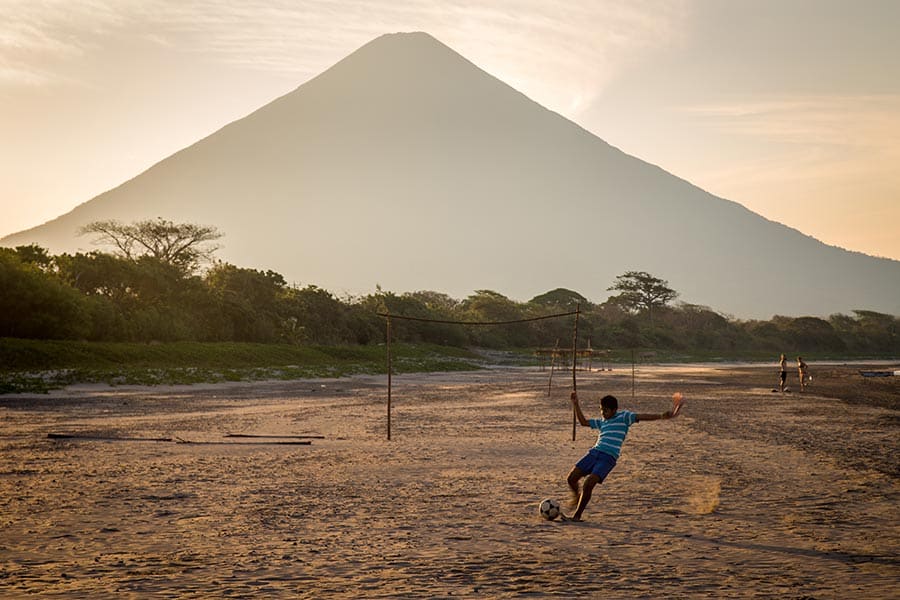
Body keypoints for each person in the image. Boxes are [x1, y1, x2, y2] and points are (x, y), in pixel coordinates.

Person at [562, 391, 679, 522]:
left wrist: (661, 416)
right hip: (594, 453)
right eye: (601, 410)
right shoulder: (602, 422)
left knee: (589, 483)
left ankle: (577, 516)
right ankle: (577, 496)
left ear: (614, 410)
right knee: (571, 478)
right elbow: (583, 422)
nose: (603, 413)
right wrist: (576, 404)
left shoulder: (624, 417)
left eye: (605, 410)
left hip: (608, 458)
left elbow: (642, 416)